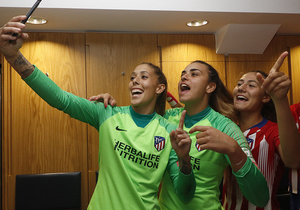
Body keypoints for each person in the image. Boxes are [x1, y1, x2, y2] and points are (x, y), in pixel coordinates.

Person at [0, 15, 196, 210]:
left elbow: (185, 194)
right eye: (132, 77)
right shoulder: (107, 114)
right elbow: (60, 98)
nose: (135, 81)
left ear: (160, 88)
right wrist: (13, 56)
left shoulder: (170, 132)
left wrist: (185, 160)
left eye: (143, 77)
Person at [89, 60, 270, 209]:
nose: (184, 76)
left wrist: (233, 150)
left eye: (194, 74)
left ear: (210, 87)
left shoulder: (226, 128)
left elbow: (261, 198)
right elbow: (141, 110)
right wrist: (108, 103)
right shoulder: (166, 120)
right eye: (183, 73)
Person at [222, 51, 300, 210]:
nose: (241, 88)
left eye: (251, 85)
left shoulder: (272, 131)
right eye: (239, 83)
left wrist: (280, 98)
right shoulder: (226, 128)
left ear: (265, 97)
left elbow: (293, 161)